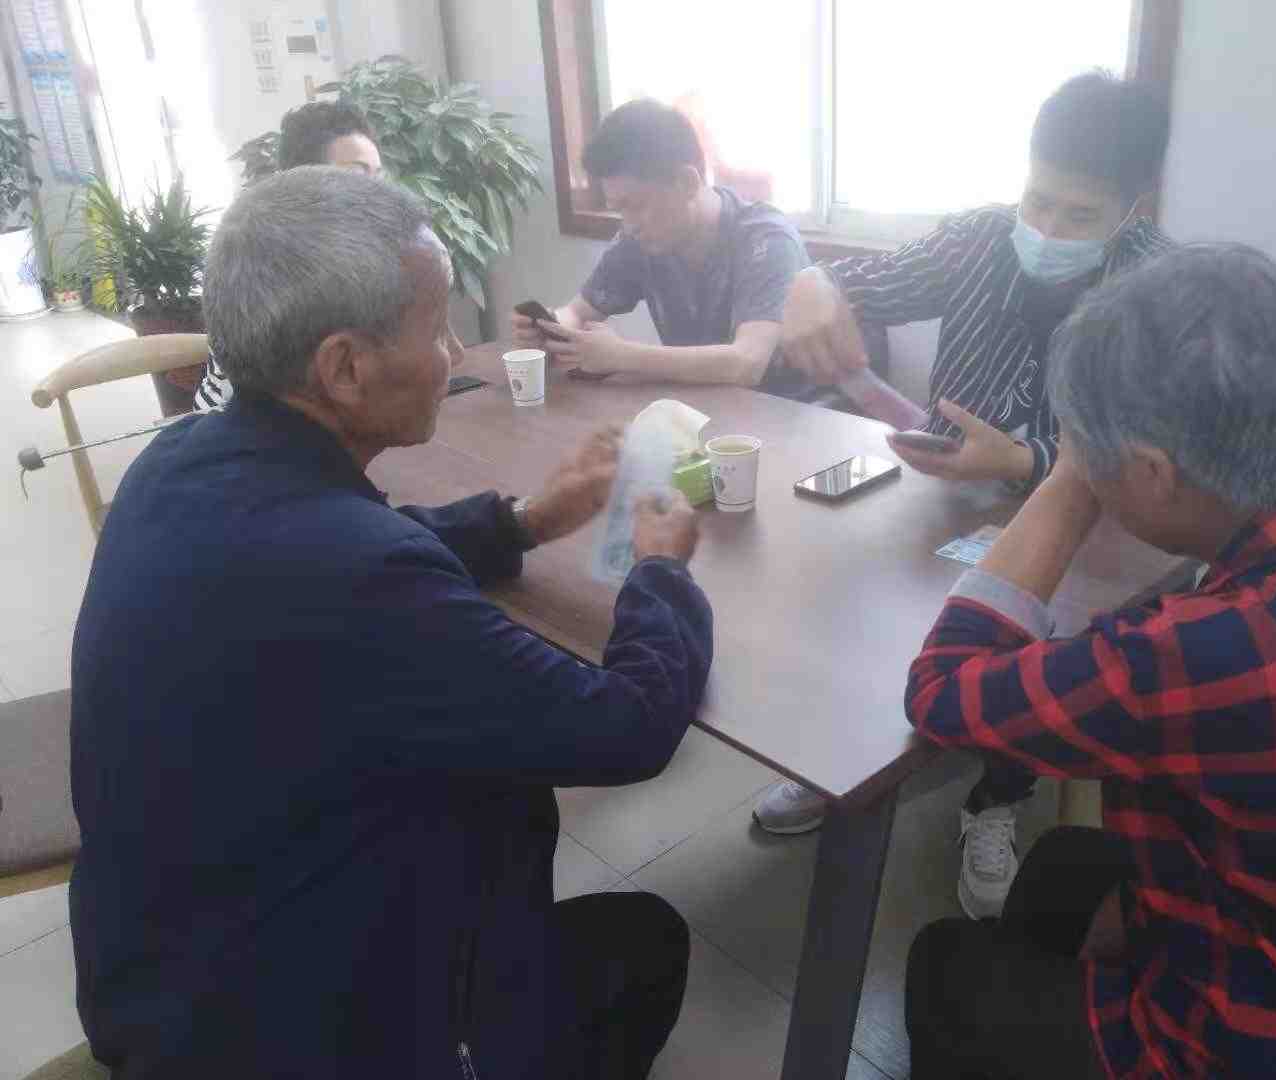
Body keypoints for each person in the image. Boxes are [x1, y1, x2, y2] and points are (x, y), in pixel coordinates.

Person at [70, 167, 712, 1079]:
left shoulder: (177, 459)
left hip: (168, 981)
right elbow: (629, 726)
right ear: (344, 367)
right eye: (439, 328)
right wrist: (660, 570)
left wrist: (524, 521)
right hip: (300, 1034)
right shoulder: (357, 576)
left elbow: (353, 551)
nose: (454, 351)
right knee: (644, 945)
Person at [903, 244, 1276, 1077]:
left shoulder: (1199, 655)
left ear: (1152, 473)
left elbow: (941, 691)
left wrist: (1067, 480)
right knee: (1060, 868)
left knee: (947, 965)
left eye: (1092, 457)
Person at [755, 73, 1172, 914]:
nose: (1045, 230)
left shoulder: (1159, 289)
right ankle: (844, 760)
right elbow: (858, 284)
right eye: (1037, 200)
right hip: (940, 494)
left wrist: (1020, 460)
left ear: (1130, 209)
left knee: (1035, 653)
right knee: (860, 600)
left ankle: (996, 801)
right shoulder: (976, 239)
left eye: (1078, 215)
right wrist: (810, 287)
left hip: (1074, 518)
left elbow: (1144, 444)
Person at [509, 98, 812, 398]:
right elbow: (577, 311)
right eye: (619, 209)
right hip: (702, 408)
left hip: (790, 416)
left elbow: (747, 363)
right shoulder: (639, 240)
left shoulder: (766, 241)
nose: (629, 225)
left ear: (687, 182)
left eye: (636, 205)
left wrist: (621, 355)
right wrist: (551, 328)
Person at [193, 101, 384, 410]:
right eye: (357, 175)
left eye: (378, 176)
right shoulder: (266, 255)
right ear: (302, 181)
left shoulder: (358, 244)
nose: (376, 193)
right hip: (240, 418)